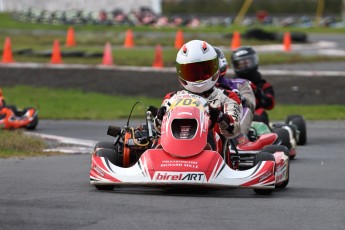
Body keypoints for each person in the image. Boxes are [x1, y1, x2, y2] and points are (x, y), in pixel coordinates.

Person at [154, 40, 242, 151]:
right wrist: (159, 118)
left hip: (211, 153)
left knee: (209, 134)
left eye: (205, 71)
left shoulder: (227, 97)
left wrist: (220, 117)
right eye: (192, 72)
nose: (198, 77)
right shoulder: (172, 98)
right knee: (158, 140)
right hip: (173, 148)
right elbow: (158, 129)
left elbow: (234, 130)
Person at [213, 46, 256, 135]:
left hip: (232, 125)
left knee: (246, 108)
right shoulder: (195, 89)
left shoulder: (240, 84)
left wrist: (241, 99)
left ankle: (239, 139)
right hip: (209, 125)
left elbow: (251, 105)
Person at [230, 46, 275, 125]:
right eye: (241, 64)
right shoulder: (230, 85)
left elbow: (270, 105)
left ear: (254, 61)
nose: (245, 66)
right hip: (235, 114)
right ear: (235, 65)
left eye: (247, 62)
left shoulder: (263, 85)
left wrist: (258, 93)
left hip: (255, 114)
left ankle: (259, 133)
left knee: (261, 112)